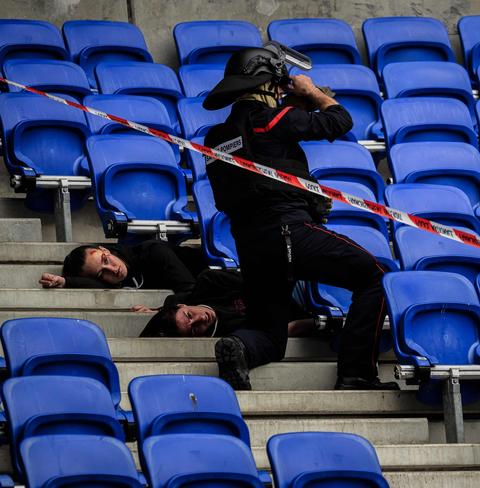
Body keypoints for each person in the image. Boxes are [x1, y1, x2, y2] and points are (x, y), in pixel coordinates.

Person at [201, 45, 398, 391]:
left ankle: (239, 348)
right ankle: (356, 374)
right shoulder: (270, 119)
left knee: (269, 336)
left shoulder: (216, 138)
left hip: (250, 245)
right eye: (277, 85)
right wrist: (311, 92)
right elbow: (341, 120)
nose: (280, 91)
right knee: (376, 277)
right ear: (265, 83)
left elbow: (260, 163)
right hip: (290, 233)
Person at [139, 268, 315, 338]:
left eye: (190, 315)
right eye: (194, 329)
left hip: (295, 284)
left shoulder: (210, 282)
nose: (200, 319)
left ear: (183, 306)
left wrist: (157, 310)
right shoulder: (230, 334)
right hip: (307, 312)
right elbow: (287, 329)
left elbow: (264, 278)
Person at [38, 241, 206, 301]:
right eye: (102, 273)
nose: (113, 269)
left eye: (105, 260)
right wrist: (65, 282)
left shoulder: (153, 252)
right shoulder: (113, 282)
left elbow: (190, 290)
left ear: (105, 249)